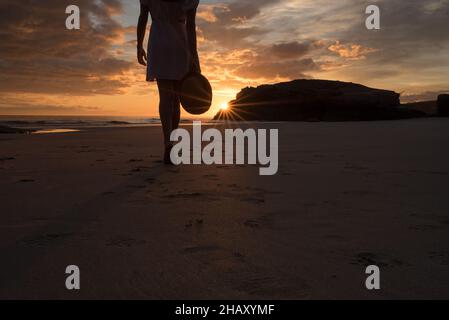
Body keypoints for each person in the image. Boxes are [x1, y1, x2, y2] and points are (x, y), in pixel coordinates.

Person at [137, 0, 201, 164]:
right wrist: (194, 57)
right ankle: (173, 142)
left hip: (159, 40)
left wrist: (139, 46)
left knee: (165, 98)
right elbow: (190, 26)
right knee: (176, 99)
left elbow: (143, 18)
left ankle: (168, 144)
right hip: (180, 43)